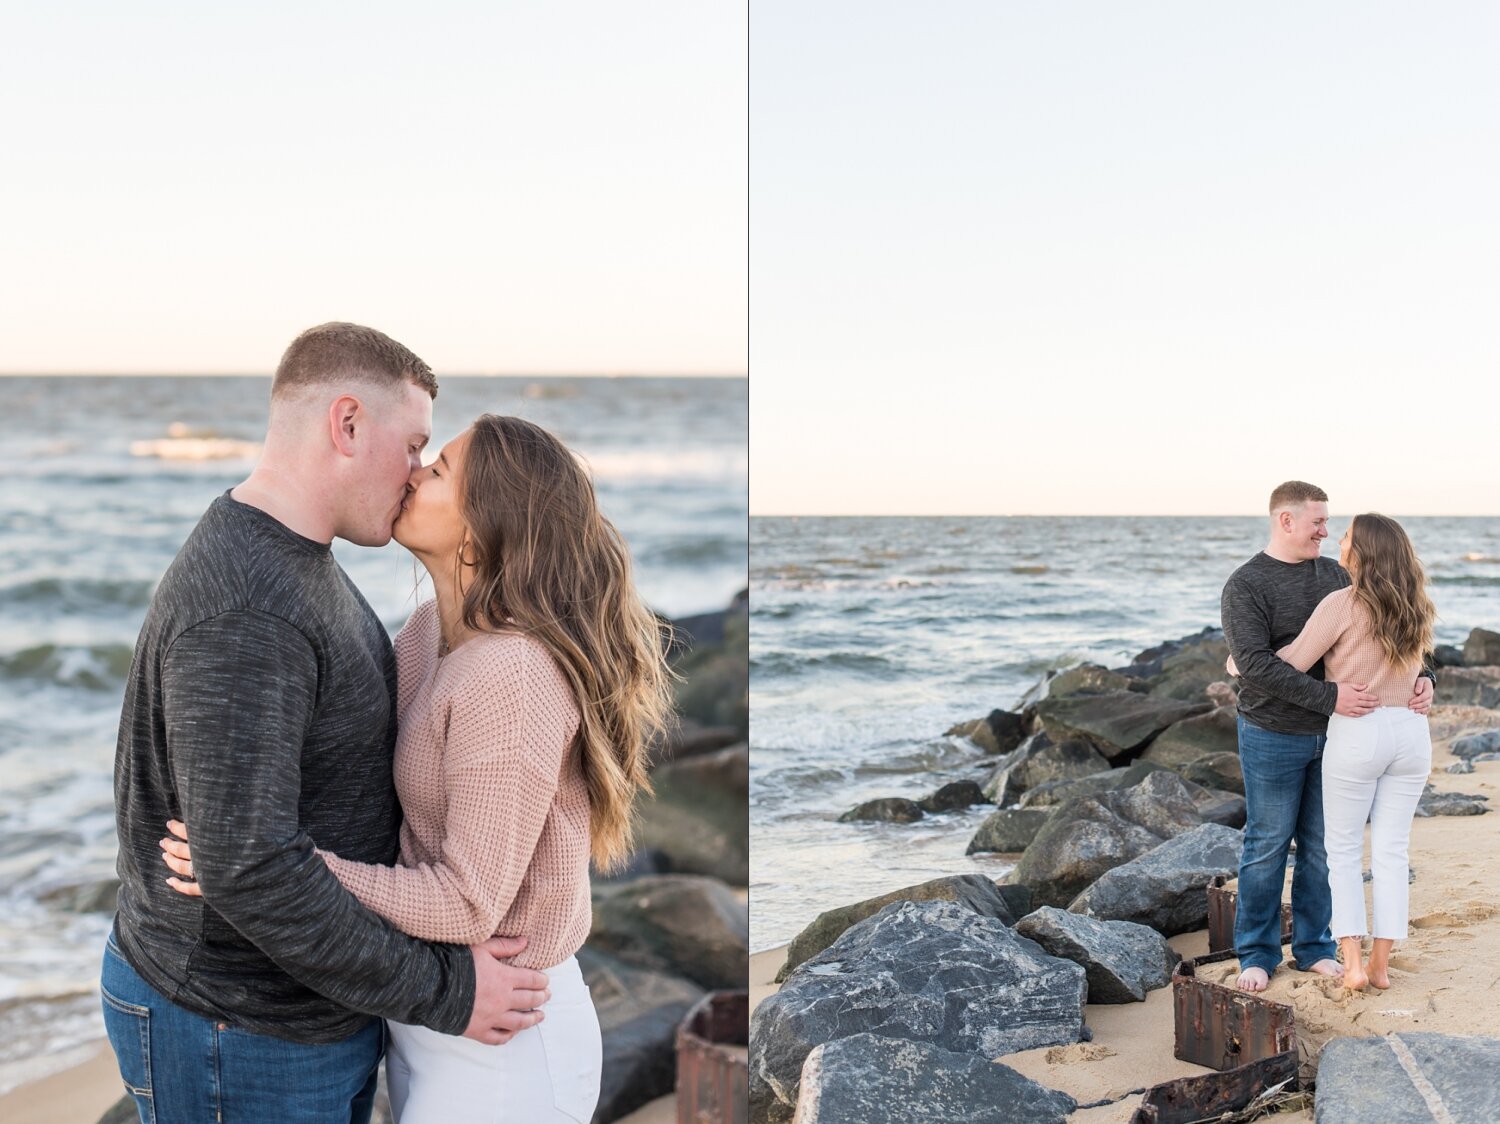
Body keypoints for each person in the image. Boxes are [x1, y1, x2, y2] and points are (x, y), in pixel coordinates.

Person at [159, 413, 673, 1121]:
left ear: (483, 523)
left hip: (506, 1034)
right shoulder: (430, 631)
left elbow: (468, 902)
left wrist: (276, 868)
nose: (412, 473)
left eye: (437, 472)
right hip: (435, 1007)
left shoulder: (512, 673)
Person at [103, 324, 552, 1124]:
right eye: (413, 444)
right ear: (346, 424)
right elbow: (249, 869)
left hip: (296, 1016)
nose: (418, 473)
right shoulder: (248, 608)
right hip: (236, 1027)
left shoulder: (301, 562)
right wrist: (446, 993)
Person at [1220, 481, 1432, 993]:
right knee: (1267, 844)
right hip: (1274, 731)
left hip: (1342, 734)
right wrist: (1329, 698)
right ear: (1285, 521)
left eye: (1330, 523)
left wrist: (1425, 678)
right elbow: (1254, 667)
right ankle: (1257, 952)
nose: (1327, 530)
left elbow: (1389, 627)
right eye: (1318, 521)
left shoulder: (1337, 575)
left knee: (1320, 847)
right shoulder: (1246, 585)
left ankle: (1314, 947)